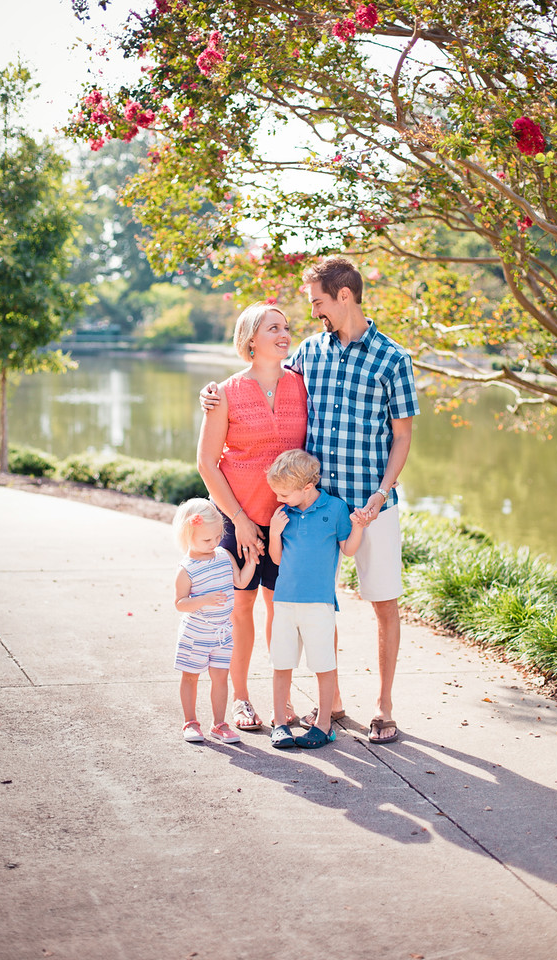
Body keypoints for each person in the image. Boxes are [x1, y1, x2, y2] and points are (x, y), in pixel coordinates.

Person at [201, 257, 419, 742]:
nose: (312, 312)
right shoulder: (308, 354)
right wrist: (210, 393)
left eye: (317, 301)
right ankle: (330, 701)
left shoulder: (393, 359)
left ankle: (383, 706)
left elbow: (403, 437)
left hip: (369, 504)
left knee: (381, 602)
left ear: (344, 296)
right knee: (317, 601)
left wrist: (382, 494)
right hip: (309, 509)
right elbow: (256, 373)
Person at [196, 302, 308, 731]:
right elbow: (207, 463)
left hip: (288, 520)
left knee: (282, 610)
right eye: (273, 328)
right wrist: (240, 521)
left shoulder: (302, 384)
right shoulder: (224, 392)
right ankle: (241, 699)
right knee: (240, 607)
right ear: (250, 340)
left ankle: (284, 698)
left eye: (286, 327)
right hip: (237, 518)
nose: (284, 333)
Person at [266, 449, 365, 749]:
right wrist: (273, 532)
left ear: (307, 487)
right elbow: (277, 558)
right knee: (281, 663)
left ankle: (324, 724)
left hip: (319, 604)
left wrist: (358, 525)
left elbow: (348, 549)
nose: (279, 499)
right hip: (284, 602)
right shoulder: (284, 514)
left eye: (284, 493)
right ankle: (280, 722)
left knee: (323, 664)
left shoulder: (334, 509)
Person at [173, 498, 257, 744]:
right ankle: (190, 722)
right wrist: (204, 599)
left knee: (221, 678)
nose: (214, 544)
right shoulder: (186, 569)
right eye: (206, 540)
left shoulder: (223, 555)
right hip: (196, 633)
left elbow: (240, 581)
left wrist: (251, 562)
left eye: (218, 537)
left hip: (222, 634)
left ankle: (219, 724)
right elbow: (180, 603)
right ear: (188, 536)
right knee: (190, 676)